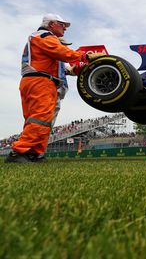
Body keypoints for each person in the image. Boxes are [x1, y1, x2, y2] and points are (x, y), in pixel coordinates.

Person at [6, 14, 104, 163]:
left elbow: (61, 63)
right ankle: (20, 152)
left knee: (42, 120)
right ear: (51, 24)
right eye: (62, 24)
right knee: (40, 118)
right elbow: (62, 52)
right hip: (40, 81)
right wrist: (86, 57)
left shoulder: (43, 40)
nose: (65, 27)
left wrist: (73, 69)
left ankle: (35, 153)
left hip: (38, 80)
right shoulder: (44, 35)